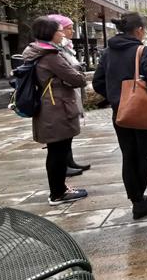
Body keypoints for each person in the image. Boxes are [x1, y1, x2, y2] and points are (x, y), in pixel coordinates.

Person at [92, 12, 147, 220]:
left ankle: (136, 199)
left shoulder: (107, 52)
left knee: (128, 155)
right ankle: (139, 201)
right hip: (142, 111)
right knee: (143, 155)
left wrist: (116, 97)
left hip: (120, 113)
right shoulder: (142, 51)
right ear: (139, 30)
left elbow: (97, 82)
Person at [22, 16, 88, 205]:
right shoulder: (50, 56)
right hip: (57, 108)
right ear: (50, 33)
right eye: (60, 30)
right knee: (58, 152)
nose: (62, 34)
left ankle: (59, 189)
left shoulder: (35, 51)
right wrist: (76, 74)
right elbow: (77, 79)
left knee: (56, 151)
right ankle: (58, 193)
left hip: (49, 107)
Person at [48, 14, 90, 176]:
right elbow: (69, 73)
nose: (71, 31)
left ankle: (69, 161)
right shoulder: (53, 53)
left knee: (67, 133)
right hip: (59, 98)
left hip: (66, 95)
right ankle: (63, 171)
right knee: (60, 138)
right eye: (67, 28)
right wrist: (78, 74)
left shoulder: (64, 47)